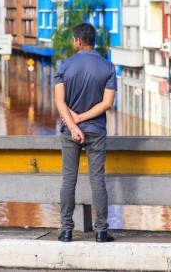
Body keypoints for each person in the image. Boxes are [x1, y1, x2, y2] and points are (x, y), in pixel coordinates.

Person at [54, 22, 117, 243]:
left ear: (78, 41)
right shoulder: (108, 67)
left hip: (69, 132)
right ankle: (100, 231)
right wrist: (81, 119)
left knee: (68, 180)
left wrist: (73, 125)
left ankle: (66, 231)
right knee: (97, 181)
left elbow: (59, 102)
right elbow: (107, 103)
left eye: (74, 40)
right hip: (96, 131)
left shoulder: (64, 65)